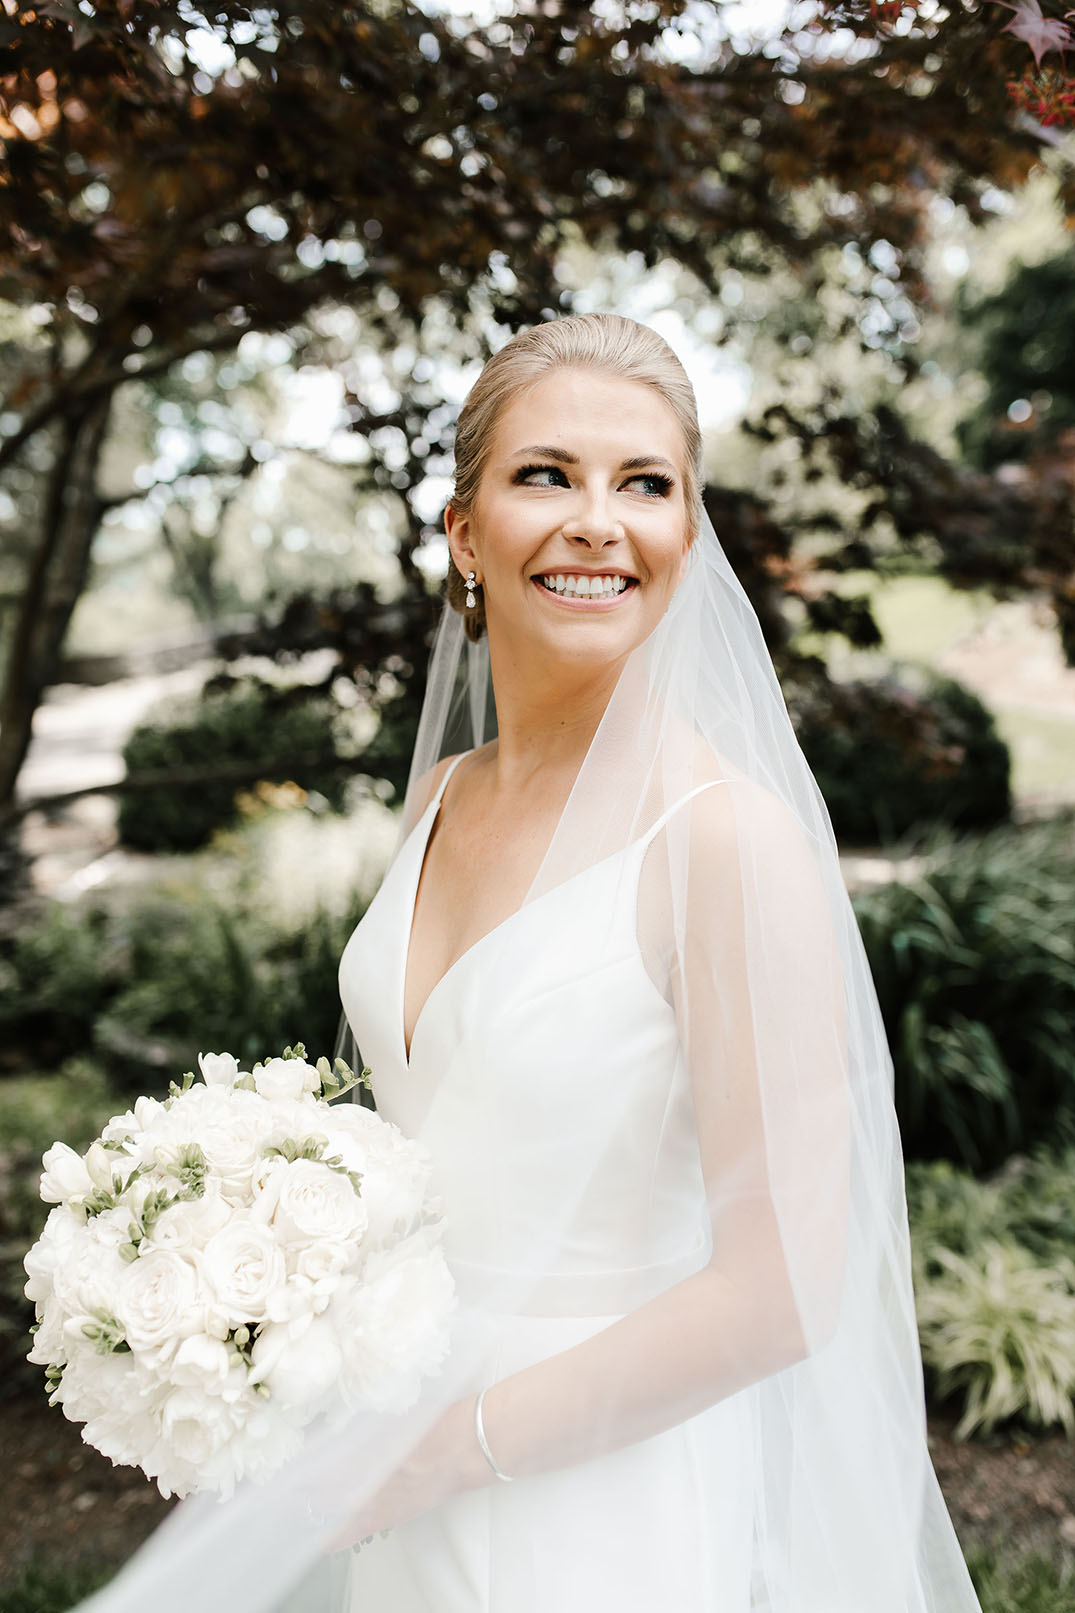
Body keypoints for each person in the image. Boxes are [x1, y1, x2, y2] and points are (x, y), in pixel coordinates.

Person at [331, 313, 985, 1612]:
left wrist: (453, 1449)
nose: (596, 519)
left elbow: (783, 1286)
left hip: (602, 1503)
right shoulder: (440, 800)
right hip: (402, 1464)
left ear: (689, 539)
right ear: (465, 535)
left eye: (645, 484)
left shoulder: (721, 842)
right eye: (545, 475)